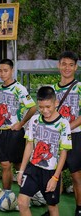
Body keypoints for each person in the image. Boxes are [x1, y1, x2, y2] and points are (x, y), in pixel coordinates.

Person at [17, 86, 72, 216]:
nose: (45, 110)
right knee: (21, 202)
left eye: (48, 107)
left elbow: (64, 152)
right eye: (41, 107)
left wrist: (55, 177)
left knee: (52, 208)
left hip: (51, 172)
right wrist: (21, 170)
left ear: (56, 103)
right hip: (33, 169)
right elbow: (29, 145)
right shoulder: (34, 120)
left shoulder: (64, 124)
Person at [0, 59, 37, 206]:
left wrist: (21, 123)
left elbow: (33, 107)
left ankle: (28, 197)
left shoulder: (19, 88)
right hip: (2, 133)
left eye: (6, 70)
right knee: (4, 165)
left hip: (15, 133)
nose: (2, 73)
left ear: (12, 70)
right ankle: (6, 196)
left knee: (18, 166)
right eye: (0, 70)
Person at [52, 51, 81, 216]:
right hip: (57, 138)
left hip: (75, 137)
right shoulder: (53, 89)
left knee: (77, 176)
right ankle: (52, 209)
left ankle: (79, 208)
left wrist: (67, 127)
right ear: (59, 65)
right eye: (64, 64)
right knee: (55, 175)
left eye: (71, 65)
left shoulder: (79, 88)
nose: (67, 68)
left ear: (76, 67)